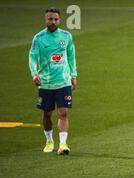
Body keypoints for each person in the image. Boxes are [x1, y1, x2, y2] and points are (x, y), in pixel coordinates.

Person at [29, 8, 77, 155]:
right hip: (46, 83)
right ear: (45, 20)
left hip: (63, 81)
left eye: (55, 19)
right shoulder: (39, 38)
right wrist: (35, 74)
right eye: (50, 19)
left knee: (63, 112)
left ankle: (63, 144)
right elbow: (32, 57)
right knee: (47, 114)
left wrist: (73, 75)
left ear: (59, 20)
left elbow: (71, 56)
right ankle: (49, 141)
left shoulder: (66, 36)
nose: (53, 22)